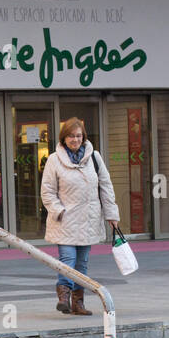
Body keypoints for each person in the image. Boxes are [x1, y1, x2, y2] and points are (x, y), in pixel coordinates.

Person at [41, 118, 118, 316]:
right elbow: (47, 191)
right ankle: (63, 297)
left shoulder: (94, 158)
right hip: (65, 220)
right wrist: (59, 210)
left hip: (88, 219)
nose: (75, 140)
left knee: (82, 263)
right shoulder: (54, 160)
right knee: (67, 258)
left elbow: (106, 187)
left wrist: (111, 214)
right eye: (71, 136)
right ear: (63, 138)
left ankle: (78, 303)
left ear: (83, 137)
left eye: (78, 136)